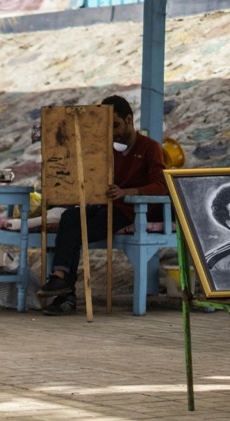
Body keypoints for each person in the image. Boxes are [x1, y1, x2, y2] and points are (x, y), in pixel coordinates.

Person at [37, 95, 168, 316]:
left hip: (130, 211)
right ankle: (60, 279)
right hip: (105, 205)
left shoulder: (150, 147)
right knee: (70, 218)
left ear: (129, 119)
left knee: (78, 231)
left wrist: (127, 192)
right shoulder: (105, 149)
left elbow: (161, 185)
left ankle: (65, 292)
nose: (112, 132)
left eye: (115, 125)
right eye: (107, 127)